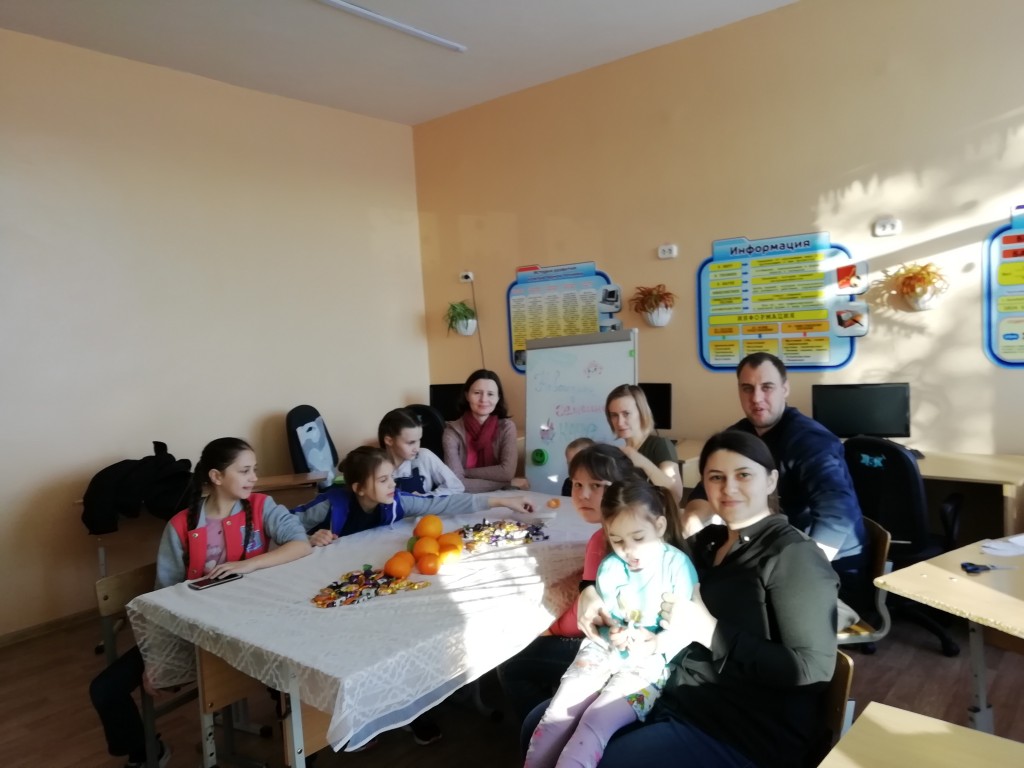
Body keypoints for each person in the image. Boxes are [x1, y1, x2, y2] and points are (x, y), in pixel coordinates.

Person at [568, 430, 839, 768]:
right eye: (716, 477)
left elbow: (812, 671)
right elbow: (633, 562)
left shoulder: (794, 556)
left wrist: (709, 631)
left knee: (608, 761)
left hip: (742, 730)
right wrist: (589, 591)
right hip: (673, 692)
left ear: (771, 481)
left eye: (743, 475)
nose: (729, 488)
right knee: (544, 723)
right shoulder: (709, 543)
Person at [89, 438, 312, 768]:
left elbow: (300, 544)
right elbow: (163, 597)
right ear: (216, 476)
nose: (254, 478)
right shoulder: (181, 524)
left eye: (255, 470)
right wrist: (155, 657)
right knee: (104, 689)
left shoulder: (261, 506)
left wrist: (248, 564)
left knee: (284, 672)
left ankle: (301, 745)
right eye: (245, 471)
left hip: (252, 626)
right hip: (192, 631)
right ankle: (146, 750)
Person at [525, 480, 697, 768]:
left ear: (660, 526)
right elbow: (606, 619)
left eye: (638, 538)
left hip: (650, 664)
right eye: (617, 540)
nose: (628, 551)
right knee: (557, 715)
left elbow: (686, 628)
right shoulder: (610, 568)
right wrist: (612, 629)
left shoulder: (678, 568)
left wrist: (656, 643)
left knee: (596, 722)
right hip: (602, 650)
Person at [681, 352, 866, 610]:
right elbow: (704, 494)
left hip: (827, 562)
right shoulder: (739, 436)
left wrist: (799, 570)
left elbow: (837, 516)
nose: (756, 398)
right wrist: (691, 524)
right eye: (747, 388)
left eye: (767, 387)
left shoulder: (812, 442)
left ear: (785, 389)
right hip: (771, 547)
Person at [498, 444, 639, 725]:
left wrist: (550, 629)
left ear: (621, 487)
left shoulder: (608, 540)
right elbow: (589, 594)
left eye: (596, 485)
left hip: (619, 650)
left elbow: (588, 617)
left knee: (510, 664)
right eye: (577, 484)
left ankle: (546, 732)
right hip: (621, 640)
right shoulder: (616, 529)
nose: (583, 494)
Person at [291, 446, 533, 545]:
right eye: (383, 480)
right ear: (359, 488)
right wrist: (309, 537)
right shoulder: (329, 505)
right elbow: (283, 523)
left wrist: (503, 501)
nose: (392, 484)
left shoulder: (396, 502)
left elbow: (444, 503)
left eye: (391, 477)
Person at [442, 369, 528, 492]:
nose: (483, 399)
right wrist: (506, 483)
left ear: (498, 398)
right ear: (467, 395)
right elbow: (456, 484)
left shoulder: (507, 428)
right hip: (465, 498)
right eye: (477, 393)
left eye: (490, 394)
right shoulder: (452, 432)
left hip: (502, 497)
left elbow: (506, 473)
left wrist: (465, 472)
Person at [605, 384, 682, 502]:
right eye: (614, 415)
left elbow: (675, 494)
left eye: (626, 414)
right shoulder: (619, 454)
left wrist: (641, 461)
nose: (620, 422)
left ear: (641, 413)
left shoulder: (660, 445)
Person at [378, 407, 464, 495]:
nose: (417, 448)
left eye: (419, 440)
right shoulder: (375, 467)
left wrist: (423, 498)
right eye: (411, 442)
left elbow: (456, 487)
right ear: (389, 441)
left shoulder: (424, 456)